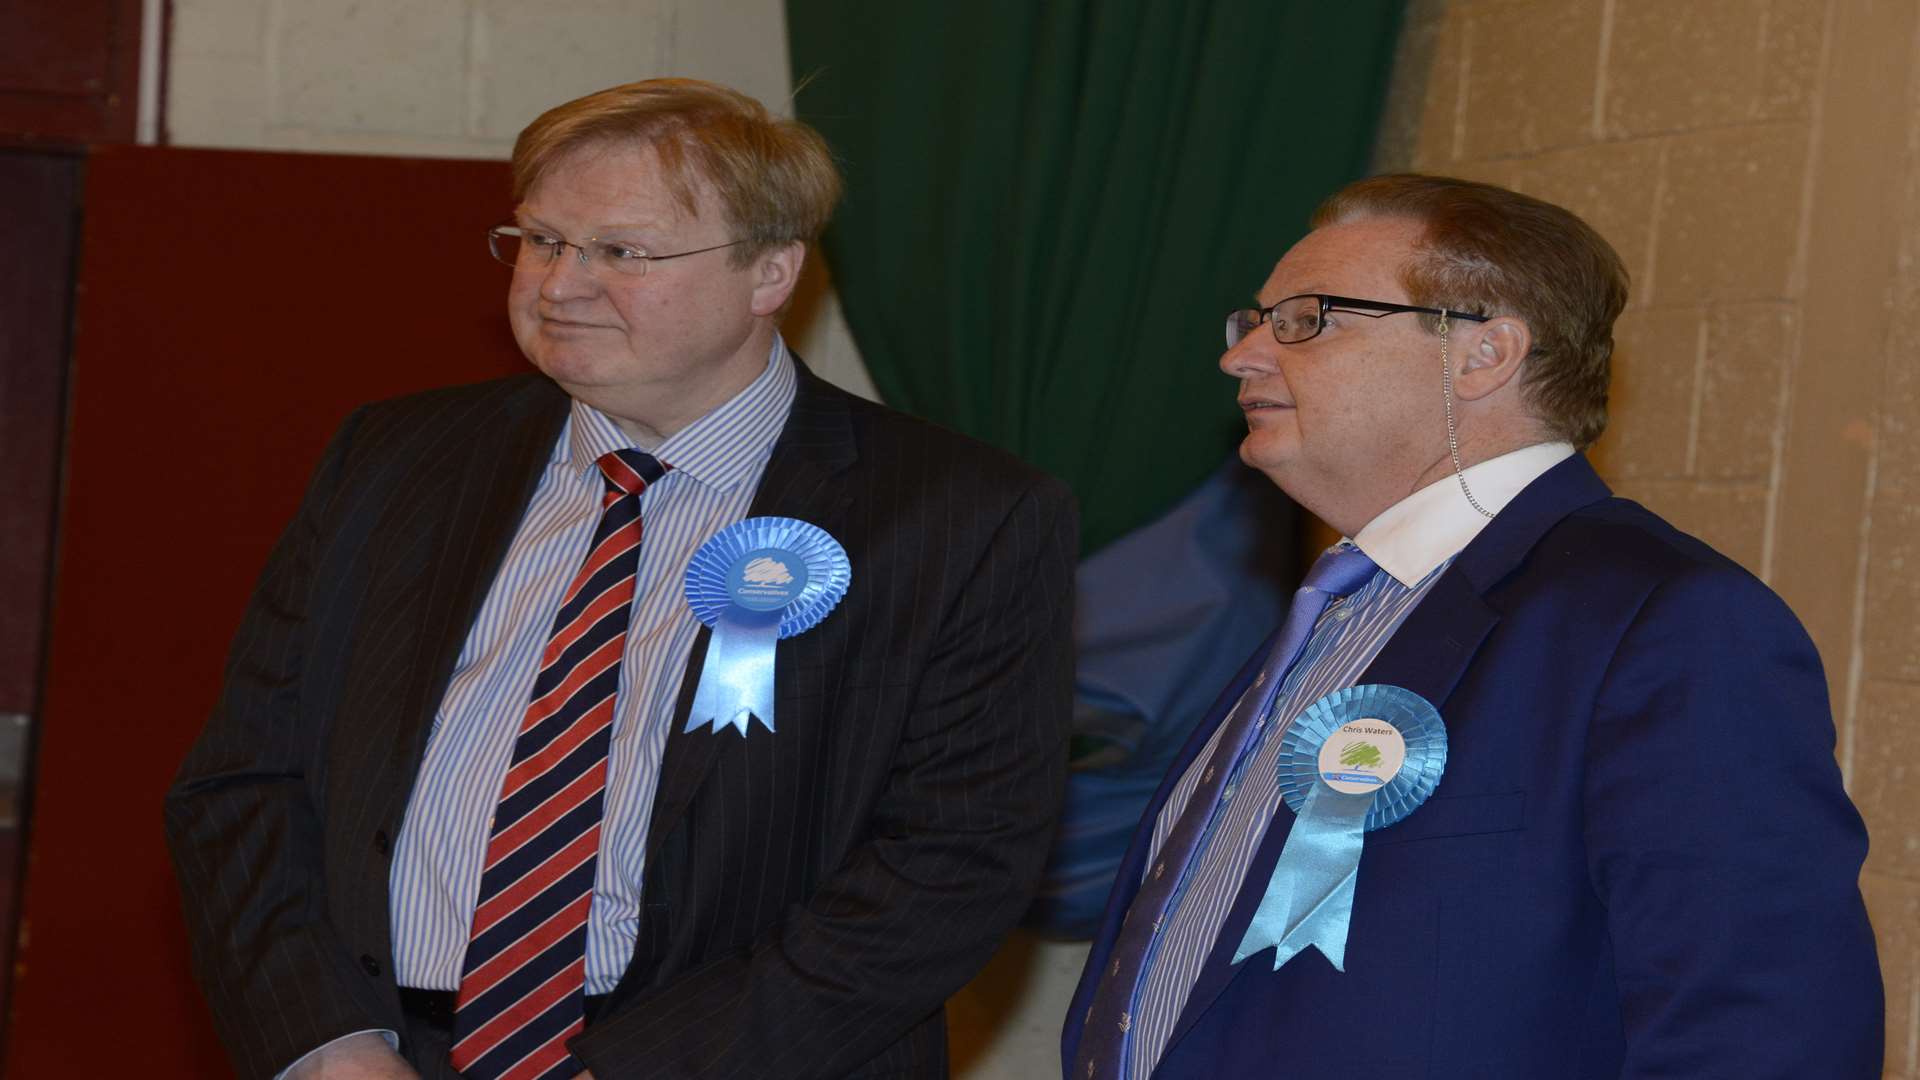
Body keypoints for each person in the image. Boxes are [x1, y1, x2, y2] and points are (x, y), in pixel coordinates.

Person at [166, 78, 1076, 1080]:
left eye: (621, 251)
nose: (559, 285)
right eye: (539, 241)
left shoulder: (959, 515)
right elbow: (243, 782)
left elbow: (956, 859)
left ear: (770, 271)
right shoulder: (396, 460)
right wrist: (330, 1047)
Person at [1063, 174, 1882, 1078]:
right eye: (1253, 321)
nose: (1244, 355)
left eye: (1305, 319)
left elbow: (1764, 1031)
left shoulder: (1663, 621)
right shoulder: (1341, 606)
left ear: (1482, 354)